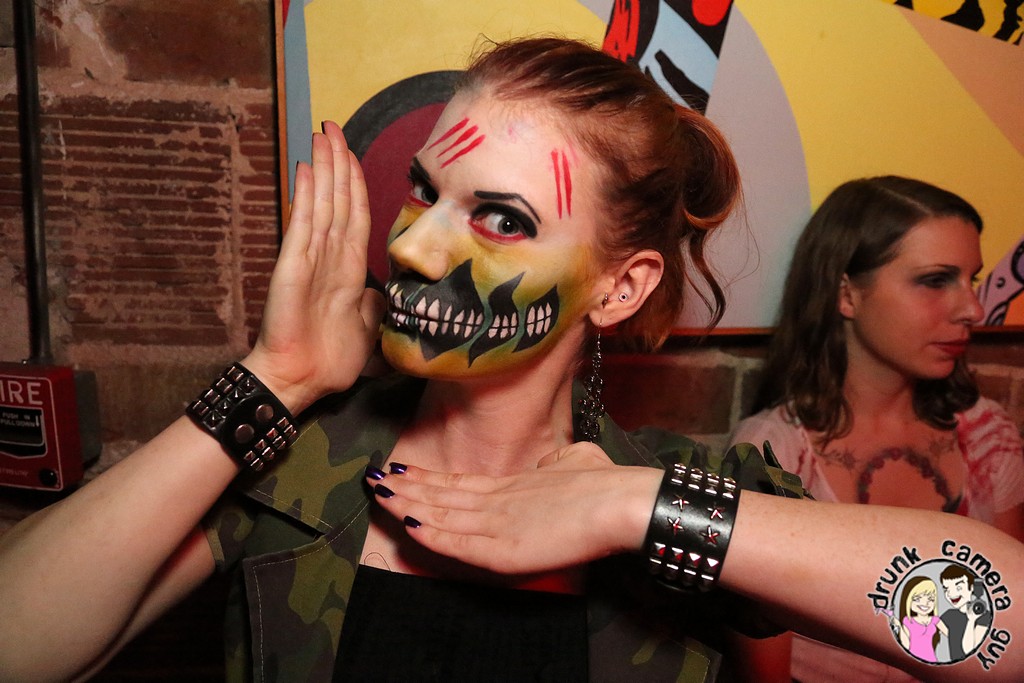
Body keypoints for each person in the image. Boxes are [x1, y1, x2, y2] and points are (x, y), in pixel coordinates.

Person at [0, 37, 754, 682]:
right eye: (424, 190)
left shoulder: (689, 505)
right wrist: (276, 377)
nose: (410, 246)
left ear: (621, 288)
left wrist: (635, 510)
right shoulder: (299, 461)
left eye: (502, 220)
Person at [728, 175, 1024, 681]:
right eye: (936, 281)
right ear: (846, 294)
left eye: (971, 280)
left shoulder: (986, 437)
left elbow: (1006, 635)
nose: (973, 309)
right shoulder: (773, 454)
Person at [894, 576, 947, 662]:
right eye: (917, 599)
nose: (925, 603)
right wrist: (899, 626)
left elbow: (951, 635)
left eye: (931, 599)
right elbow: (906, 645)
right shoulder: (908, 621)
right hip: (912, 660)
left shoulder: (935, 620)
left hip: (931, 660)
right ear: (908, 600)